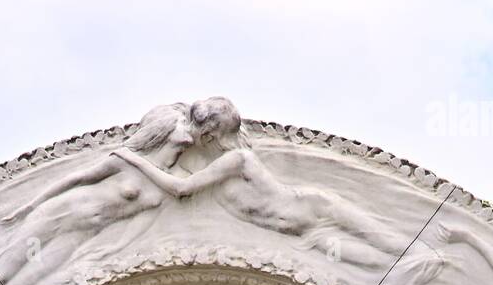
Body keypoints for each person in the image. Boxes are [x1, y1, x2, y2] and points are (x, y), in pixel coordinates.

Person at [111, 96, 408, 272]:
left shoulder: (236, 160)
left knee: (393, 246)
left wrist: (133, 159)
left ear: (210, 135)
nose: (186, 135)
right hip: (304, 230)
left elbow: (181, 190)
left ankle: (435, 259)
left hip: (313, 207)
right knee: (382, 268)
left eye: (194, 129)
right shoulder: (205, 166)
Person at [0, 102, 196, 285]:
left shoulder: (174, 180)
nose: (188, 127)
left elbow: (144, 220)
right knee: (0, 276)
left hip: (80, 234)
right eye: (182, 122)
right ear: (164, 127)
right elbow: (77, 179)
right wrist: (30, 207)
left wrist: (118, 246)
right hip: (58, 213)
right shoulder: (125, 158)